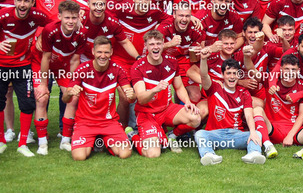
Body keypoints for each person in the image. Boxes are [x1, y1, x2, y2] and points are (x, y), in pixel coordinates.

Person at [0, 0, 52, 156]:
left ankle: (23, 144)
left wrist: (41, 36)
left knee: (27, 104)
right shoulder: (2, 16)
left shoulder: (38, 15)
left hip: (22, 65)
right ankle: (0, 141)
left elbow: (52, 25)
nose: (22, 4)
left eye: (26, 1)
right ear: (14, 1)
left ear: (32, 3)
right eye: (19, 0)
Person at [130, 30, 201, 158]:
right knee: (153, 154)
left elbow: (179, 87)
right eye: (151, 44)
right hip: (147, 113)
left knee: (195, 117)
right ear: (146, 46)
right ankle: (133, 135)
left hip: (167, 109)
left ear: (163, 44)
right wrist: (154, 90)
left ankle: (172, 135)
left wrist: (188, 102)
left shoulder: (172, 62)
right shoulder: (138, 67)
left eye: (158, 43)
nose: (155, 47)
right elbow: (141, 99)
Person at [63, 36, 135, 161]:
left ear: (111, 52)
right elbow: (65, 99)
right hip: (85, 122)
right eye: (99, 52)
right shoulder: (82, 69)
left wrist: (132, 95)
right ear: (93, 52)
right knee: (79, 157)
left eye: (106, 52)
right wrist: (69, 93)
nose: (103, 56)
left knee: (125, 153)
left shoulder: (117, 69)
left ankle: (102, 139)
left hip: (109, 122)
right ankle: (98, 140)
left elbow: (130, 96)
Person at [193, 48, 266, 165]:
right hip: (215, 135)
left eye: (235, 73)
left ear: (239, 75)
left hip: (236, 135)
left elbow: (248, 115)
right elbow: (204, 76)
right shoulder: (214, 88)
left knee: (258, 133)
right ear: (223, 75)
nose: (232, 77)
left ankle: (254, 154)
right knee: (199, 134)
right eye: (228, 73)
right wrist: (203, 59)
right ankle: (209, 155)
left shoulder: (244, 92)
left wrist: (252, 132)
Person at [31, 0, 85, 151]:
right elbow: (46, 57)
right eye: (67, 17)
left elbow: (75, 60)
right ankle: (42, 143)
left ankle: (66, 140)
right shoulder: (50, 30)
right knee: (42, 97)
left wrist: (72, 84)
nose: (70, 21)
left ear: (78, 17)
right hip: (41, 63)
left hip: (63, 65)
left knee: (73, 97)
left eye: (74, 18)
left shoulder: (82, 33)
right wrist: (43, 84)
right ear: (59, 16)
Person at [256, 54, 303, 160]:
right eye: (287, 69)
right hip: (273, 129)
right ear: (280, 69)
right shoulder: (271, 82)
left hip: (294, 130)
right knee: (257, 109)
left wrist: (290, 136)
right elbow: (254, 73)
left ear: (298, 71)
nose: (290, 72)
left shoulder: (302, 86)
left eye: (293, 69)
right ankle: (268, 145)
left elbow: (302, 115)